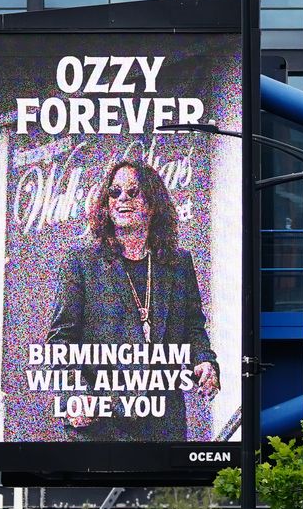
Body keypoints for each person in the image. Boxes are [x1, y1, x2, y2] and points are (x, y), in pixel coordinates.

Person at [43, 159, 221, 442]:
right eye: (114, 192)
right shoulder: (81, 262)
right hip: (100, 426)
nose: (122, 198)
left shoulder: (178, 264)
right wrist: (74, 392)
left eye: (133, 191)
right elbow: (59, 341)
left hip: (163, 425)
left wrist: (204, 361)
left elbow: (194, 328)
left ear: (152, 204)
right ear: (106, 204)